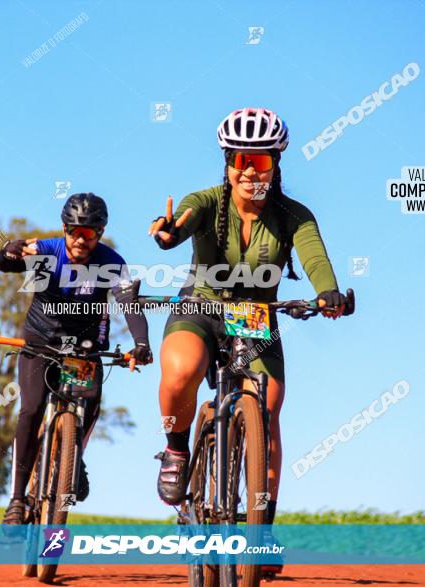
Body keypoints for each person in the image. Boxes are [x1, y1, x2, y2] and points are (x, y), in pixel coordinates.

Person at [147, 108, 353, 571]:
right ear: (227, 162)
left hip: (256, 317)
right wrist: (167, 233)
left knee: (268, 408)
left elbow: (315, 258)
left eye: (259, 163)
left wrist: (328, 294)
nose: (248, 172)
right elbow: (181, 222)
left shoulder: (294, 216)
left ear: (275, 166)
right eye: (240, 160)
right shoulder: (205, 201)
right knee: (180, 371)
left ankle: (261, 529)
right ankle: (177, 449)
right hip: (200, 305)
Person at [0, 192, 152, 526]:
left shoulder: (113, 263)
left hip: (84, 346)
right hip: (41, 341)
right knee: (32, 409)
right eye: (74, 231)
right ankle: (18, 499)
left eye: (89, 232)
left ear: (101, 232)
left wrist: (141, 342)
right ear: (64, 229)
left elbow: (129, 304)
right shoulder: (47, 251)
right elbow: (5, 262)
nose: (80, 239)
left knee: (92, 401)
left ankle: (74, 454)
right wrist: (11, 248)